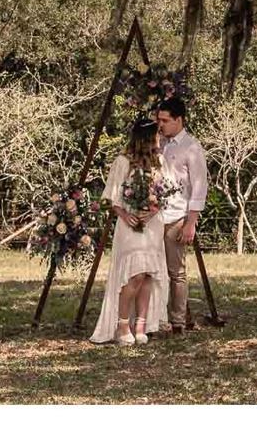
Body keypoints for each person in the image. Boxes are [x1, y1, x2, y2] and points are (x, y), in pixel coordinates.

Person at [87, 117, 179, 347]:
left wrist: (153, 209)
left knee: (147, 273)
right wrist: (125, 214)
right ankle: (122, 324)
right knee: (134, 274)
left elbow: (168, 192)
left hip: (152, 224)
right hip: (129, 225)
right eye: (156, 134)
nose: (160, 138)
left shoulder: (159, 161)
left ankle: (141, 324)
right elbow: (112, 196)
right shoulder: (122, 161)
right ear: (146, 137)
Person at [153, 96, 208, 333]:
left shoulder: (192, 148)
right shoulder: (160, 143)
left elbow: (199, 186)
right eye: (159, 120)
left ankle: (178, 321)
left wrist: (191, 222)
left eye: (165, 120)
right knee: (154, 269)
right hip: (155, 216)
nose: (161, 125)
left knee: (176, 272)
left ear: (179, 120)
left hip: (177, 216)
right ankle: (157, 318)